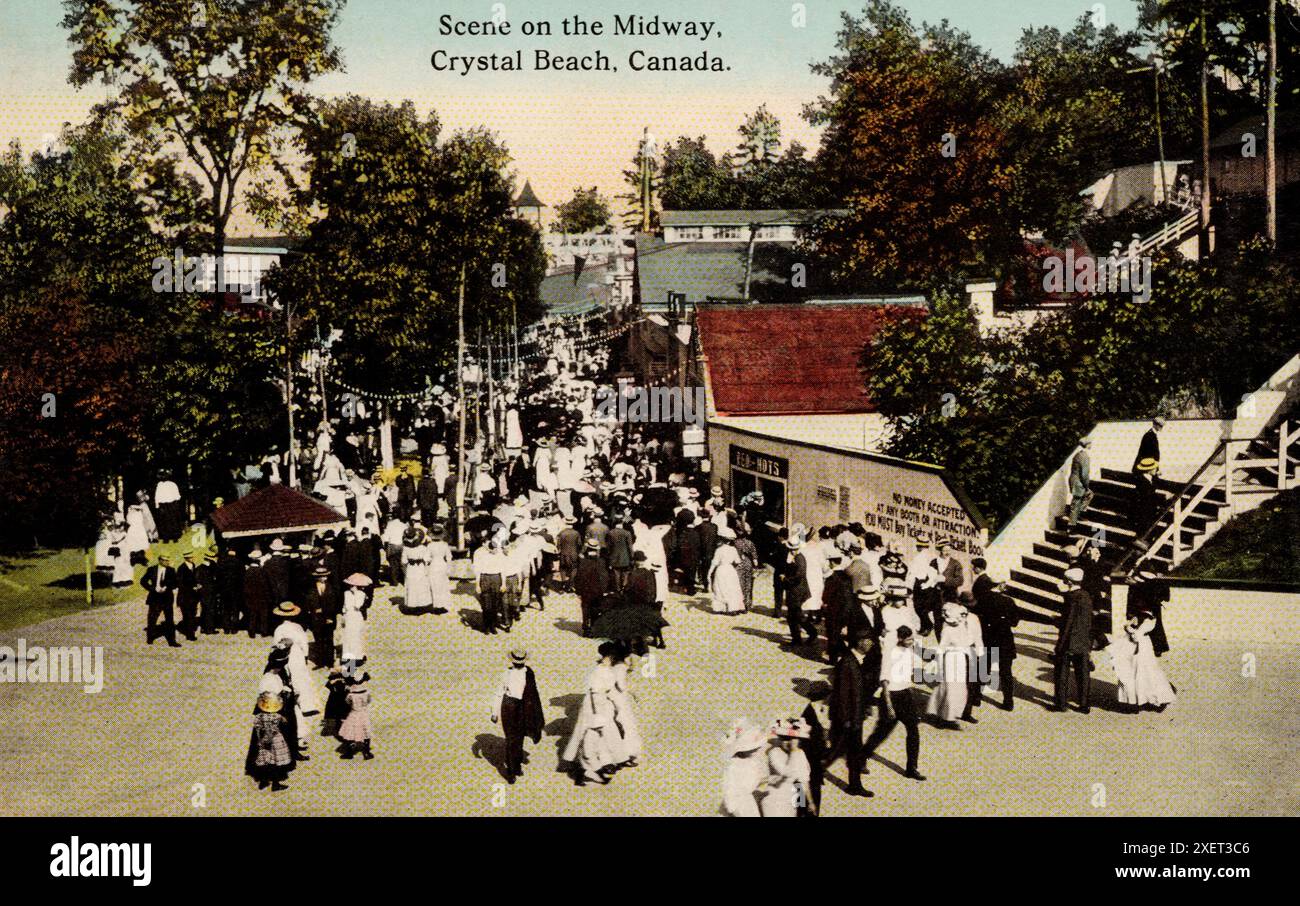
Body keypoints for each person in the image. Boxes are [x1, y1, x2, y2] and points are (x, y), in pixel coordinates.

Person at [861, 626, 926, 781]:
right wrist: (889, 706)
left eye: (912, 639)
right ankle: (861, 757)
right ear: (900, 639)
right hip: (891, 695)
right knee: (882, 732)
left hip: (906, 694)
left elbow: (916, 670)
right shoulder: (890, 654)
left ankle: (911, 768)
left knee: (913, 730)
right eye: (909, 639)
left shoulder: (910, 652)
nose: (911, 642)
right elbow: (884, 680)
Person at [561, 642, 624, 785]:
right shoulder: (600, 672)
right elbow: (597, 696)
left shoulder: (604, 670)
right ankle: (590, 769)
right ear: (609, 657)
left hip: (600, 708)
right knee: (589, 737)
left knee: (593, 738)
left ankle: (588, 769)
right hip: (594, 710)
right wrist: (598, 718)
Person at [825, 631, 878, 798]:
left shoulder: (856, 660)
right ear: (859, 641)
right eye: (869, 640)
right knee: (839, 750)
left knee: (850, 751)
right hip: (848, 718)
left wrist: (865, 707)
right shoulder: (847, 662)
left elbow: (858, 690)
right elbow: (841, 694)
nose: (872, 644)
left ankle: (854, 785)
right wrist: (847, 719)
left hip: (854, 716)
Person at [490, 649, 545, 783]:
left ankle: (517, 765)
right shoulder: (507, 674)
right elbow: (499, 692)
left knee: (519, 738)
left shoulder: (529, 673)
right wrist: (494, 712)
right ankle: (510, 772)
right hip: (508, 707)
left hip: (523, 708)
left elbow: (533, 693)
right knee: (510, 739)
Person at [1109, 610, 1176, 711]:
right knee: (1139, 673)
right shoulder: (1147, 618)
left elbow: (1136, 636)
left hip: (1141, 649)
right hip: (1138, 648)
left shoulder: (1148, 619)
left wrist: (1129, 629)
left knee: (1141, 673)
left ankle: (1153, 699)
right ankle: (1137, 700)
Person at [1053, 567, 1095, 713]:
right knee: (1083, 673)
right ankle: (1084, 704)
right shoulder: (1086, 596)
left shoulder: (1071, 599)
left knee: (1061, 673)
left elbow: (1068, 623)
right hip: (1083, 641)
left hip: (1068, 642)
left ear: (1069, 582)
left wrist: (1060, 644)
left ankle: (1061, 703)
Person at [762, 718, 815, 817]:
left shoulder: (800, 753)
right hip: (776, 799)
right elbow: (787, 773)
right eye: (785, 739)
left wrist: (809, 802)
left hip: (793, 796)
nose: (789, 743)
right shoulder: (774, 752)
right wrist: (794, 751)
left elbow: (803, 780)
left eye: (792, 739)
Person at [245, 692, 294, 791]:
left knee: (265, 760)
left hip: (263, 740)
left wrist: (261, 740)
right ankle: (275, 784)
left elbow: (257, 730)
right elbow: (280, 727)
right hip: (276, 740)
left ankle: (263, 781)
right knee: (275, 762)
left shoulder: (258, 717)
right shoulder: (277, 717)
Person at [720, 720, 769, 817]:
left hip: (748, 802)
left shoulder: (753, 762)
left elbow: (756, 781)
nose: (757, 749)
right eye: (752, 748)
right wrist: (734, 810)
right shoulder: (733, 765)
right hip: (738, 804)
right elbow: (729, 790)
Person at [140, 555, 181, 647]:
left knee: (170, 620)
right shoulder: (152, 569)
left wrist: (167, 587)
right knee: (152, 619)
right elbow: (143, 581)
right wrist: (152, 588)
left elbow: (176, 583)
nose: (167, 562)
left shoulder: (171, 570)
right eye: (165, 560)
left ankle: (172, 641)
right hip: (155, 598)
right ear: (160, 560)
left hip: (167, 598)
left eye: (168, 560)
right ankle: (150, 638)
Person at [573, 538, 610, 636]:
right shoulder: (601, 562)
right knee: (595, 608)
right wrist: (604, 589)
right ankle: (594, 627)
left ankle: (586, 628)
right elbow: (604, 577)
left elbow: (579, 576)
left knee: (585, 608)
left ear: (587, 548)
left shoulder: (583, 561)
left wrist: (578, 590)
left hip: (586, 589)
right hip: (597, 589)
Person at [472, 536, 508, 634]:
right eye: (487, 543)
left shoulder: (498, 552)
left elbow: (502, 569)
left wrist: (503, 583)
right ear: (483, 543)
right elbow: (477, 569)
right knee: (486, 604)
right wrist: (477, 585)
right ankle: (486, 625)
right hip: (485, 578)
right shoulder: (478, 553)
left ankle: (493, 625)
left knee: (495, 603)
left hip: (496, 578)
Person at [707, 526, 745, 615]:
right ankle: (733, 608)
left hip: (721, 569)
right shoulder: (733, 549)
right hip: (730, 570)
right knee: (732, 589)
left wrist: (709, 573)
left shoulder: (719, 550)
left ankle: (719, 608)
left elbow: (714, 562)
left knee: (720, 589)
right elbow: (738, 561)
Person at [338, 671, 374, 759]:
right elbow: (369, 701)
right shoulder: (367, 692)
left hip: (354, 714)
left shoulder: (351, 694)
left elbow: (347, 703)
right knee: (366, 732)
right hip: (364, 714)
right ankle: (366, 752)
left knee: (350, 733)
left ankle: (349, 753)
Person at [340, 573, 371, 670]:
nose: (351, 587)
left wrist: (356, 594)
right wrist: (343, 616)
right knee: (347, 636)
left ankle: (357, 656)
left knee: (356, 636)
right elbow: (344, 607)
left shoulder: (361, 594)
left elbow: (357, 605)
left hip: (356, 616)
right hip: (348, 616)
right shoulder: (346, 593)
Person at [1068, 437, 1093, 527]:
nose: (1091, 445)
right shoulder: (1084, 456)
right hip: (1078, 483)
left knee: (1089, 495)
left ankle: (1078, 515)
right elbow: (1084, 475)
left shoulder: (1078, 454)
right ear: (1087, 445)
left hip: (1073, 481)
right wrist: (1086, 486)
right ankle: (1071, 527)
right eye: (1090, 443)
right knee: (1076, 503)